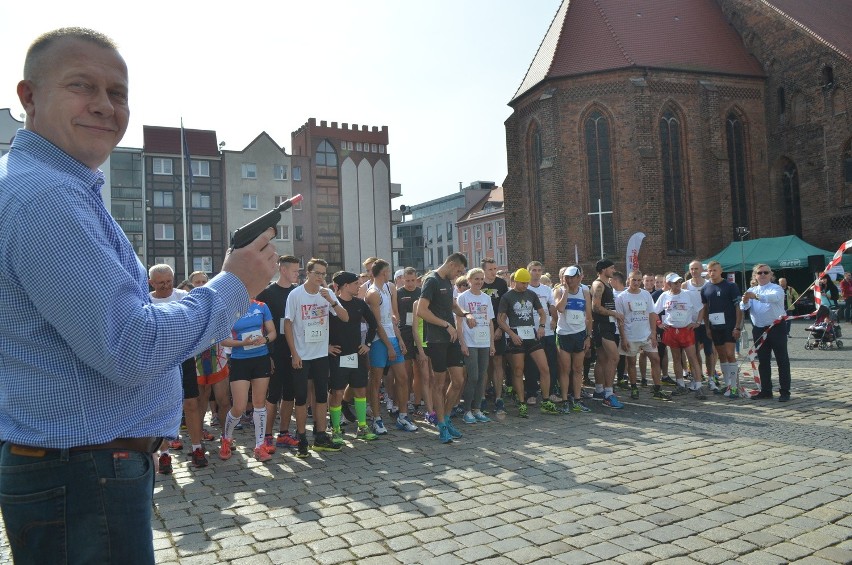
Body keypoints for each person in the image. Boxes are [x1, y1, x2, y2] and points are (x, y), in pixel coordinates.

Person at [0, 27, 277, 564]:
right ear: (29, 97)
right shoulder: (47, 198)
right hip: (81, 473)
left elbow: (123, 323)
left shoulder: (55, 186)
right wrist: (236, 284)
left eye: (118, 93)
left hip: (80, 469)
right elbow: (130, 347)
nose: (105, 106)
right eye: (82, 86)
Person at [284, 258, 349, 456]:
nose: (321, 277)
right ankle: (302, 437)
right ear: (308, 273)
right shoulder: (295, 295)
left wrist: (331, 301)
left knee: (321, 397)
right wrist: (294, 353)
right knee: (301, 398)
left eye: (323, 274)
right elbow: (287, 324)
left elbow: (345, 317)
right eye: (317, 273)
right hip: (302, 355)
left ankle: (320, 435)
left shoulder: (327, 293)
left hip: (321, 354)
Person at [148, 264, 207, 472]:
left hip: (184, 358)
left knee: (191, 403)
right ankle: (164, 453)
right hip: (160, 361)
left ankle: (197, 448)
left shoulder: (183, 296)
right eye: (161, 283)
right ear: (151, 283)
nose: (165, 286)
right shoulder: (147, 300)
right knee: (162, 407)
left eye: (168, 282)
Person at [416, 253, 474, 443]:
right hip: (436, 339)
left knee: (458, 380)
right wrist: (445, 324)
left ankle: (447, 418)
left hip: (451, 338)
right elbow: (422, 311)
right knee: (439, 384)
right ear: (450, 265)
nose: (459, 275)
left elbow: (451, 304)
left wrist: (465, 314)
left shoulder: (448, 282)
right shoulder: (432, 280)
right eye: (458, 270)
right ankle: (441, 424)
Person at [219, 299, 277, 462]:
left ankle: (259, 446)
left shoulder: (261, 306)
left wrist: (264, 339)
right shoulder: (228, 308)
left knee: (259, 403)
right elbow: (223, 340)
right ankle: (226, 439)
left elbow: (272, 332)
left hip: (261, 358)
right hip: (239, 360)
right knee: (239, 406)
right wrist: (242, 343)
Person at [496, 268, 559, 417]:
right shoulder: (507, 297)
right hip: (516, 334)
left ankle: (545, 400)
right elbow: (500, 319)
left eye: (526, 283)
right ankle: (522, 402)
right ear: (515, 282)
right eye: (522, 283)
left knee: (544, 368)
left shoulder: (531, 294)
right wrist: (511, 334)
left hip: (531, 334)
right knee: (518, 370)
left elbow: (542, 313)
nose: (525, 286)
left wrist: (542, 326)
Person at [365, 259, 417, 433]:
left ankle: (403, 416)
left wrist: (399, 340)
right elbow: (377, 324)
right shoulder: (373, 293)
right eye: (388, 271)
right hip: (379, 341)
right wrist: (388, 346)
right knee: (375, 379)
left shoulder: (389, 288)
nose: (391, 273)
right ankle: (377, 419)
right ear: (383, 272)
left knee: (402, 378)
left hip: (392, 337)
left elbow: (392, 319)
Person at [328, 271, 379, 443]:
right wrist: (326, 347)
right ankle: (335, 429)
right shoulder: (331, 304)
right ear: (345, 286)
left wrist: (368, 344)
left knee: (360, 390)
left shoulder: (360, 303)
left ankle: (362, 427)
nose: (359, 286)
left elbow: (373, 324)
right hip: (337, 355)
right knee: (337, 392)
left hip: (357, 354)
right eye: (356, 283)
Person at [257, 256, 301, 450]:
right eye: (294, 270)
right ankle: (267, 435)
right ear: (283, 270)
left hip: (295, 350)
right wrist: (267, 354)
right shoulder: (267, 293)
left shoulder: (297, 292)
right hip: (274, 351)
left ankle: (283, 433)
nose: (297, 274)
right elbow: (260, 327)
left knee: (290, 393)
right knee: (273, 394)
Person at [616, 271, 670, 401]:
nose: (636, 283)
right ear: (628, 280)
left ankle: (657, 389)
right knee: (631, 362)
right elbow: (620, 320)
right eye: (634, 280)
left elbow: (652, 314)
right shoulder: (621, 297)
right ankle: (634, 387)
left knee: (656, 359)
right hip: (630, 335)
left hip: (646, 335)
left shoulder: (646, 294)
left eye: (638, 280)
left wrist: (653, 333)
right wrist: (623, 338)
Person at [741, 264, 791, 401]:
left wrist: (755, 296)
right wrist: (745, 301)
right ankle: (766, 390)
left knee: (782, 360)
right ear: (755, 276)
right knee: (763, 361)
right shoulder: (751, 289)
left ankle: (785, 391)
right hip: (759, 329)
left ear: (771, 275)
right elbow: (744, 307)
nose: (762, 275)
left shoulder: (777, 288)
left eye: (765, 272)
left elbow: (772, 298)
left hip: (776, 327)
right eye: (759, 273)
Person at [654, 273, 706, 398]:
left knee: (692, 358)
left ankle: (698, 386)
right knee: (676, 358)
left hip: (686, 330)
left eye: (678, 282)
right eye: (674, 283)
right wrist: (659, 323)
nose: (677, 285)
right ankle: (680, 384)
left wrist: (698, 322)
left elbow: (701, 308)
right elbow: (654, 311)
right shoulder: (664, 295)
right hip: (671, 330)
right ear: (668, 284)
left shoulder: (689, 294)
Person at [455, 268, 495, 424]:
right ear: (469, 280)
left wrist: (491, 343)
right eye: (476, 279)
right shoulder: (463, 297)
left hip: (484, 342)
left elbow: (490, 321)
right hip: (470, 342)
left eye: (481, 279)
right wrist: (462, 343)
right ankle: (467, 410)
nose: (479, 282)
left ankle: (477, 409)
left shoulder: (486, 298)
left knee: (482, 376)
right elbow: (458, 322)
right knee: (473, 376)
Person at [554, 266, 594, 412]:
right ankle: (565, 400)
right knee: (565, 369)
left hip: (580, 334)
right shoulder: (559, 290)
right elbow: (560, 309)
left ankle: (577, 399)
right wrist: (565, 292)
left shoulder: (585, 292)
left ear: (579, 278)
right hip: (564, 334)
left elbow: (589, 316)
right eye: (567, 278)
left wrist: (588, 336)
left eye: (572, 278)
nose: (569, 280)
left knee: (578, 369)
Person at [701, 261, 743, 398]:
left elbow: (738, 307)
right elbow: (706, 309)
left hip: (729, 326)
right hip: (715, 327)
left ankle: (735, 387)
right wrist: (707, 327)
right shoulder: (705, 288)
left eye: (714, 270)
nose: (712, 273)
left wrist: (737, 326)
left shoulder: (731, 286)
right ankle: (727, 385)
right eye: (709, 270)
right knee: (722, 356)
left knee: (730, 354)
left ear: (721, 271)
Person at [590, 260, 625, 408]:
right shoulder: (599, 285)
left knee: (603, 358)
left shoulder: (607, 284)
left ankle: (599, 390)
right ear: (604, 269)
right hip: (602, 325)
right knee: (614, 357)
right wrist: (614, 313)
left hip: (607, 324)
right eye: (611, 268)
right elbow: (595, 307)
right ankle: (608, 394)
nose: (613, 270)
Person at [480, 257, 509, 416]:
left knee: (498, 362)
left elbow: (504, 308)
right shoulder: (479, 283)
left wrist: (500, 328)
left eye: (495, 269)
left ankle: (499, 397)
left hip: (498, 328)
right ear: (483, 270)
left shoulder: (501, 284)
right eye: (490, 269)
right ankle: (482, 396)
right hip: (481, 330)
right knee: (484, 364)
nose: (494, 272)